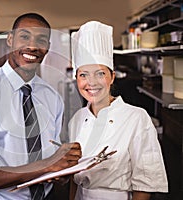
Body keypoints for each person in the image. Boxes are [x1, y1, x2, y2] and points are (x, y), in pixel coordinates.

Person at [0, 13, 82, 200]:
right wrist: (48, 165)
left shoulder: (52, 97)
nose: (32, 46)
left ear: (47, 48)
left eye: (41, 39)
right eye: (24, 37)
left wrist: (63, 170)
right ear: (10, 40)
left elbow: (53, 159)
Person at [68, 21, 168, 200]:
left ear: (112, 77)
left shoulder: (136, 117)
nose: (92, 83)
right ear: (76, 79)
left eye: (100, 73)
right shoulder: (76, 119)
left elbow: (145, 182)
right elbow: (73, 180)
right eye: (83, 74)